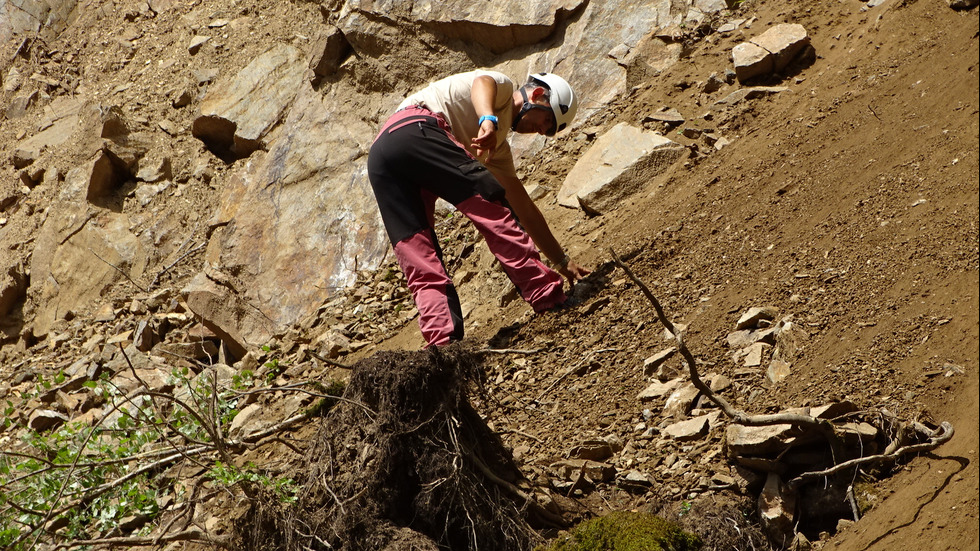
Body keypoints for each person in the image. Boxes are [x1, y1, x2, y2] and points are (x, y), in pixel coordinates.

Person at [367, 70, 591, 347]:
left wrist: (561, 260)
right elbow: (481, 83)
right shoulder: (503, 87)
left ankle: (442, 346)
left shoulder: (497, 152)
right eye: (548, 120)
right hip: (417, 129)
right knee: (493, 208)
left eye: (549, 130)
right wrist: (488, 119)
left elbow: (526, 210)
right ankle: (549, 298)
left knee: (418, 253)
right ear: (537, 95)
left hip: (381, 155)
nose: (543, 130)